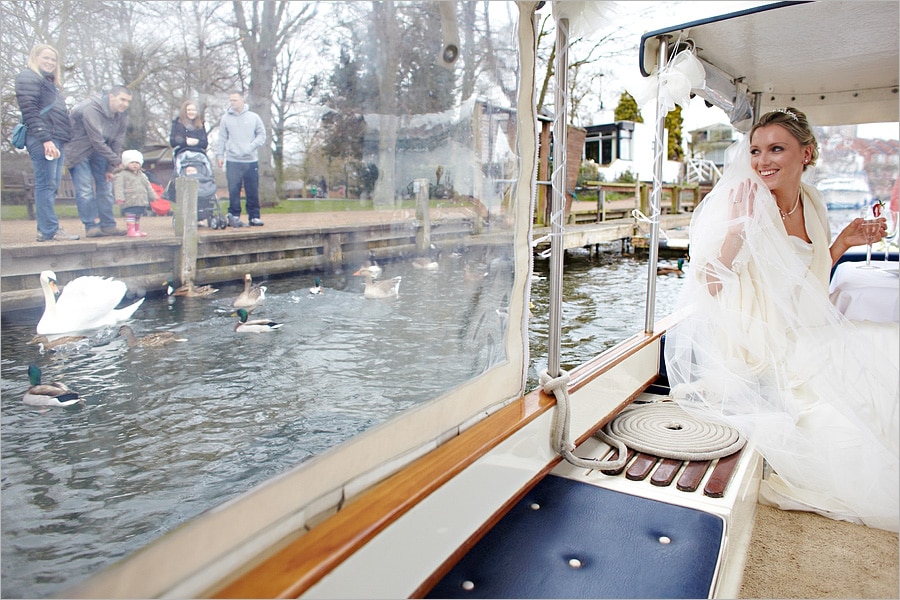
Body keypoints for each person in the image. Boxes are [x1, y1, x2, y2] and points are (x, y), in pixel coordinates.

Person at [664, 107, 898, 532]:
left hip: (803, 329)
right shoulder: (746, 203)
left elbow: (809, 283)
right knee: (842, 422)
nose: (762, 161)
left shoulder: (814, 201)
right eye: (755, 150)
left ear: (806, 154)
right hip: (758, 341)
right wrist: (736, 231)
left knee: (887, 346)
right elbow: (707, 287)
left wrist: (843, 240)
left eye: (777, 149)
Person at [14, 44, 78, 242]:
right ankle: (49, 229)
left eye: (53, 59)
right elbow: (30, 111)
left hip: (55, 138)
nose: (50, 62)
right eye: (46, 58)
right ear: (35, 57)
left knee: (51, 184)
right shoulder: (28, 77)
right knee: (45, 183)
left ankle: (48, 228)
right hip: (43, 138)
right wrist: (45, 139)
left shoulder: (49, 83)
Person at [65, 85, 132, 237]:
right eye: (122, 99)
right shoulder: (91, 108)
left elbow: (117, 142)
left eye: (128, 101)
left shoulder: (122, 116)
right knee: (85, 190)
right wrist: (117, 161)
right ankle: (90, 226)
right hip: (79, 151)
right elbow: (96, 139)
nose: (125, 104)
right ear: (111, 96)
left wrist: (110, 167)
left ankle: (108, 225)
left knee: (106, 188)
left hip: (101, 152)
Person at [216, 91, 265, 227]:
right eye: (231, 100)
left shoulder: (254, 117)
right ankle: (234, 215)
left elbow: (262, 135)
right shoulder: (225, 118)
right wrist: (220, 155)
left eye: (235, 100)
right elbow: (222, 138)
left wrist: (251, 146)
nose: (232, 103)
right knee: (233, 189)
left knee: (252, 189)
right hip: (233, 159)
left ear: (242, 100)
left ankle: (254, 216)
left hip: (250, 159)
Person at [114, 150, 156, 237]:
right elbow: (118, 187)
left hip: (141, 200)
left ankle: (137, 229)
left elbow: (148, 186)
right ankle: (131, 230)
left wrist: (153, 195)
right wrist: (119, 197)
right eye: (132, 162)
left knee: (138, 215)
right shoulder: (121, 175)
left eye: (137, 162)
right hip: (129, 199)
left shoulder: (142, 175)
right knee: (131, 215)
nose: (135, 165)